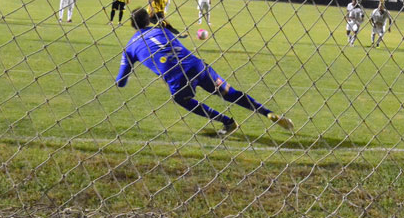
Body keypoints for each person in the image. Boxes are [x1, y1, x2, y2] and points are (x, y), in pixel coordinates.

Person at [115, 8, 294, 136]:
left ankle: (228, 122)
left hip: (178, 79)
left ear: (133, 26)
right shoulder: (162, 31)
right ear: (148, 20)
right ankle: (267, 112)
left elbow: (121, 82)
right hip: (197, 66)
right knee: (230, 93)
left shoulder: (130, 46)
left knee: (181, 99)